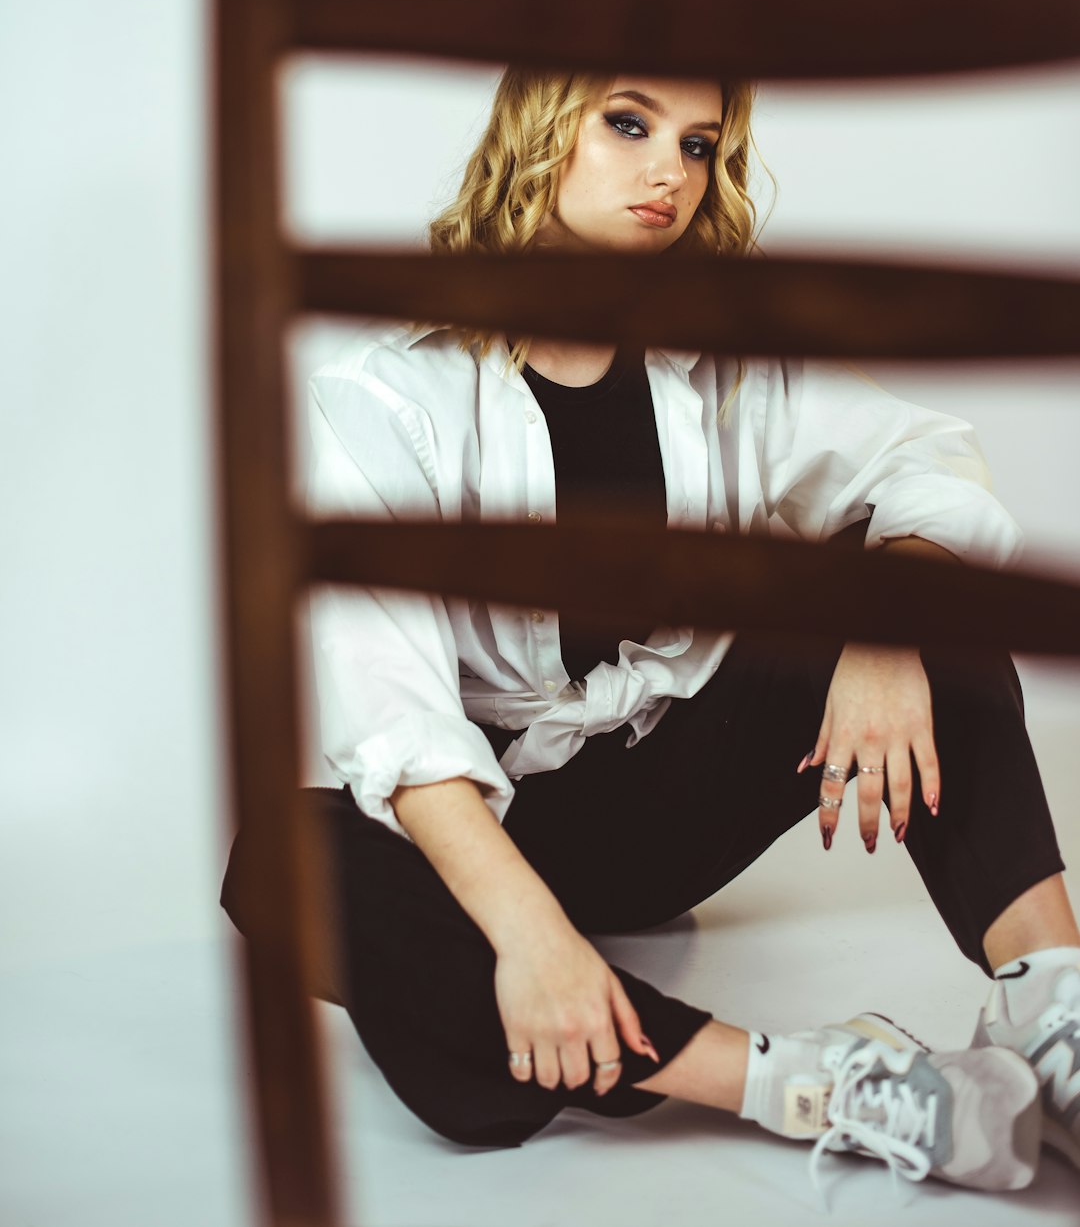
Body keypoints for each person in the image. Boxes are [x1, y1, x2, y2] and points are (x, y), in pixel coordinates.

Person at [221, 67, 1080, 1198]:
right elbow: (395, 710)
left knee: (918, 597)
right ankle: (829, 1086)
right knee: (278, 864)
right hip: (512, 830)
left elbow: (928, 465)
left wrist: (878, 636)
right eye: (629, 124)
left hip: (675, 797)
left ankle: (1057, 1015)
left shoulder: (724, 353)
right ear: (540, 127)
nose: (670, 173)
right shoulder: (387, 397)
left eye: (699, 146)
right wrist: (531, 939)